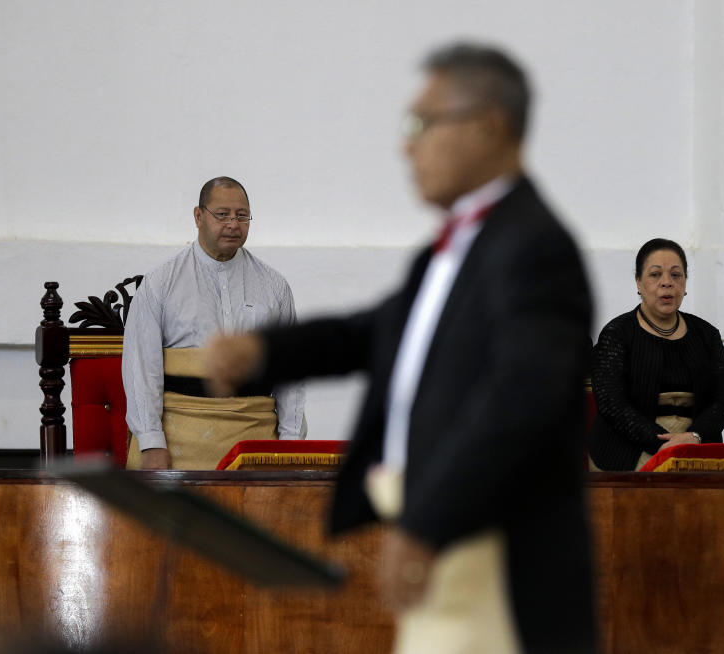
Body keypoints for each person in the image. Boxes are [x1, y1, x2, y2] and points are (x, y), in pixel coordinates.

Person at [204, 43, 597, 654]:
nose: (405, 146)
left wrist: (425, 523)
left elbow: (522, 404)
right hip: (443, 538)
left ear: (489, 126)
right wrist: (264, 352)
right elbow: (374, 333)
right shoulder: (457, 248)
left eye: (422, 123)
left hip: (494, 552)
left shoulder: (535, 248)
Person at [122, 176, 306, 470]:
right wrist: (151, 442)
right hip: (180, 439)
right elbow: (141, 368)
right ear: (198, 216)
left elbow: (291, 373)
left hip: (256, 441)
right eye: (222, 215)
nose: (233, 224)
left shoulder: (274, 286)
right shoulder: (161, 283)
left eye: (242, 216)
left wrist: (291, 444)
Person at [589, 238, 724, 471]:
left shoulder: (707, 335)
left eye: (676, 275)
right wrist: (665, 445)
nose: (667, 283)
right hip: (628, 449)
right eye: (655, 275)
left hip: (694, 445)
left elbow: (723, 402)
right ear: (638, 282)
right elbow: (612, 405)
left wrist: (695, 437)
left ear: (685, 283)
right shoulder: (617, 333)